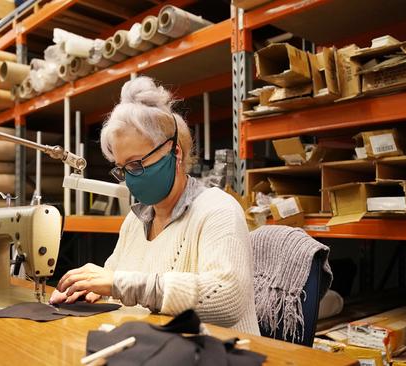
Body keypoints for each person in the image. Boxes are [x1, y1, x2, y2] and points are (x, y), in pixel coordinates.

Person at [50, 76, 260, 334]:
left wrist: (120, 285)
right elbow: (116, 282)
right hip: (159, 349)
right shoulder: (135, 221)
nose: (130, 178)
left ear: (176, 152)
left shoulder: (218, 210)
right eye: (122, 169)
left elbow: (226, 300)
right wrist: (91, 291)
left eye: (137, 164)